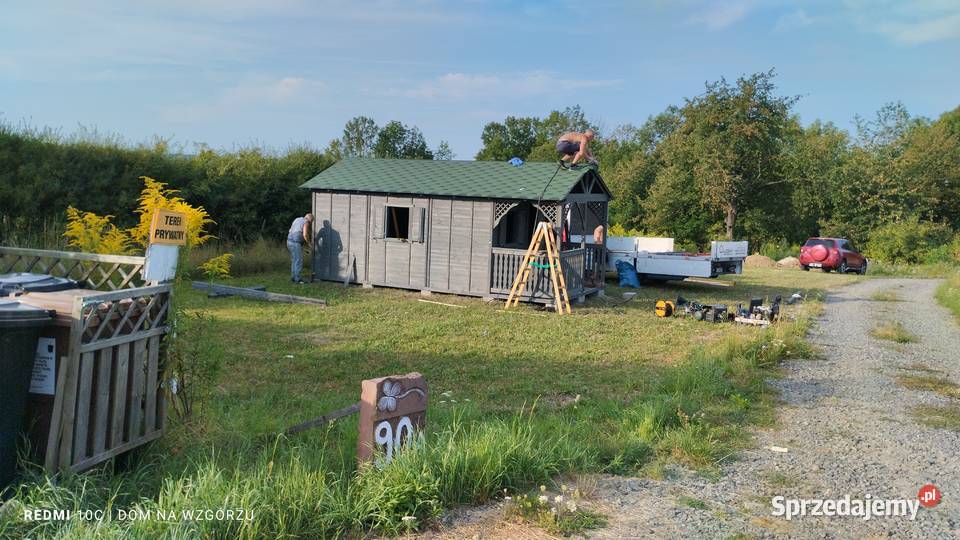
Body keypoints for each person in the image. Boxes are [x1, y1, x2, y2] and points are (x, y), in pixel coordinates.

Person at [287, 213, 313, 283]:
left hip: (289, 241)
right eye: (311, 221)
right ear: (309, 219)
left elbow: (293, 230)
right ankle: (298, 279)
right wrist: (309, 244)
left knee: (294, 260)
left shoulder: (297, 219)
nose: (310, 223)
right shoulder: (306, 222)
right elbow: (305, 234)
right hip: (295, 243)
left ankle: (293, 277)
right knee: (299, 260)